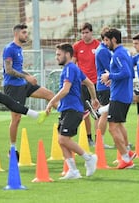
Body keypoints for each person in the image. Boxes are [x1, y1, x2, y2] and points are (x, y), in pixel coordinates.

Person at [44, 42, 98, 179]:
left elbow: (66, 89)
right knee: (61, 140)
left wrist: (51, 101)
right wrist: (94, 99)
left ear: (67, 55)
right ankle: (73, 171)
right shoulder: (73, 69)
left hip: (73, 109)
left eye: (58, 54)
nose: (56, 57)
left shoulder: (70, 68)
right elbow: (90, 83)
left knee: (63, 139)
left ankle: (89, 158)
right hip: (67, 109)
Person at [2, 23, 56, 157]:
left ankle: (67, 114)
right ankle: (12, 149)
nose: (26, 35)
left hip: (23, 84)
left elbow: (18, 69)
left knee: (49, 94)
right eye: (24, 33)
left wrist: (28, 77)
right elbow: (8, 70)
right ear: (16, 34)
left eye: (27, 33)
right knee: (16, 118)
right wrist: (27, 77)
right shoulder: (9, 49)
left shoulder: (19, 49)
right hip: (13, 87)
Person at [101, 28, 135, 169]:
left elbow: (126, 73)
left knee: (112, 128)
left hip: (119, 96)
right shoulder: (125, 52)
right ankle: (128, 153)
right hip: (124, 94)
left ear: (114, 39)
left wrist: (110, 76)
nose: (105, 43)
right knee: (119, 125)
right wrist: (113, 79)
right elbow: (130, 73)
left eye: (107, 40)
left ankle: (126, 159)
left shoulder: (118, 54)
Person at [72, 22, 100, 147]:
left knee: (97, 111)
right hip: (82, 83)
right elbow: (73, 64)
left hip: (96, 82)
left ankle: (98, 138)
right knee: (85, 112)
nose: (84, 35)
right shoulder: (77, 46)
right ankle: (89, 138)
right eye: (82, 33)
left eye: (86, 32)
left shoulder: (98, 45)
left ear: (91, 32)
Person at [95, 26, 114, 149]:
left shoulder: (103, 49)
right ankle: (100, 141)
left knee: (108, 113)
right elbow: (109, 68)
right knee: (104, 113)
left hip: (104, 85)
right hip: (105, 85)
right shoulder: (103, 51)